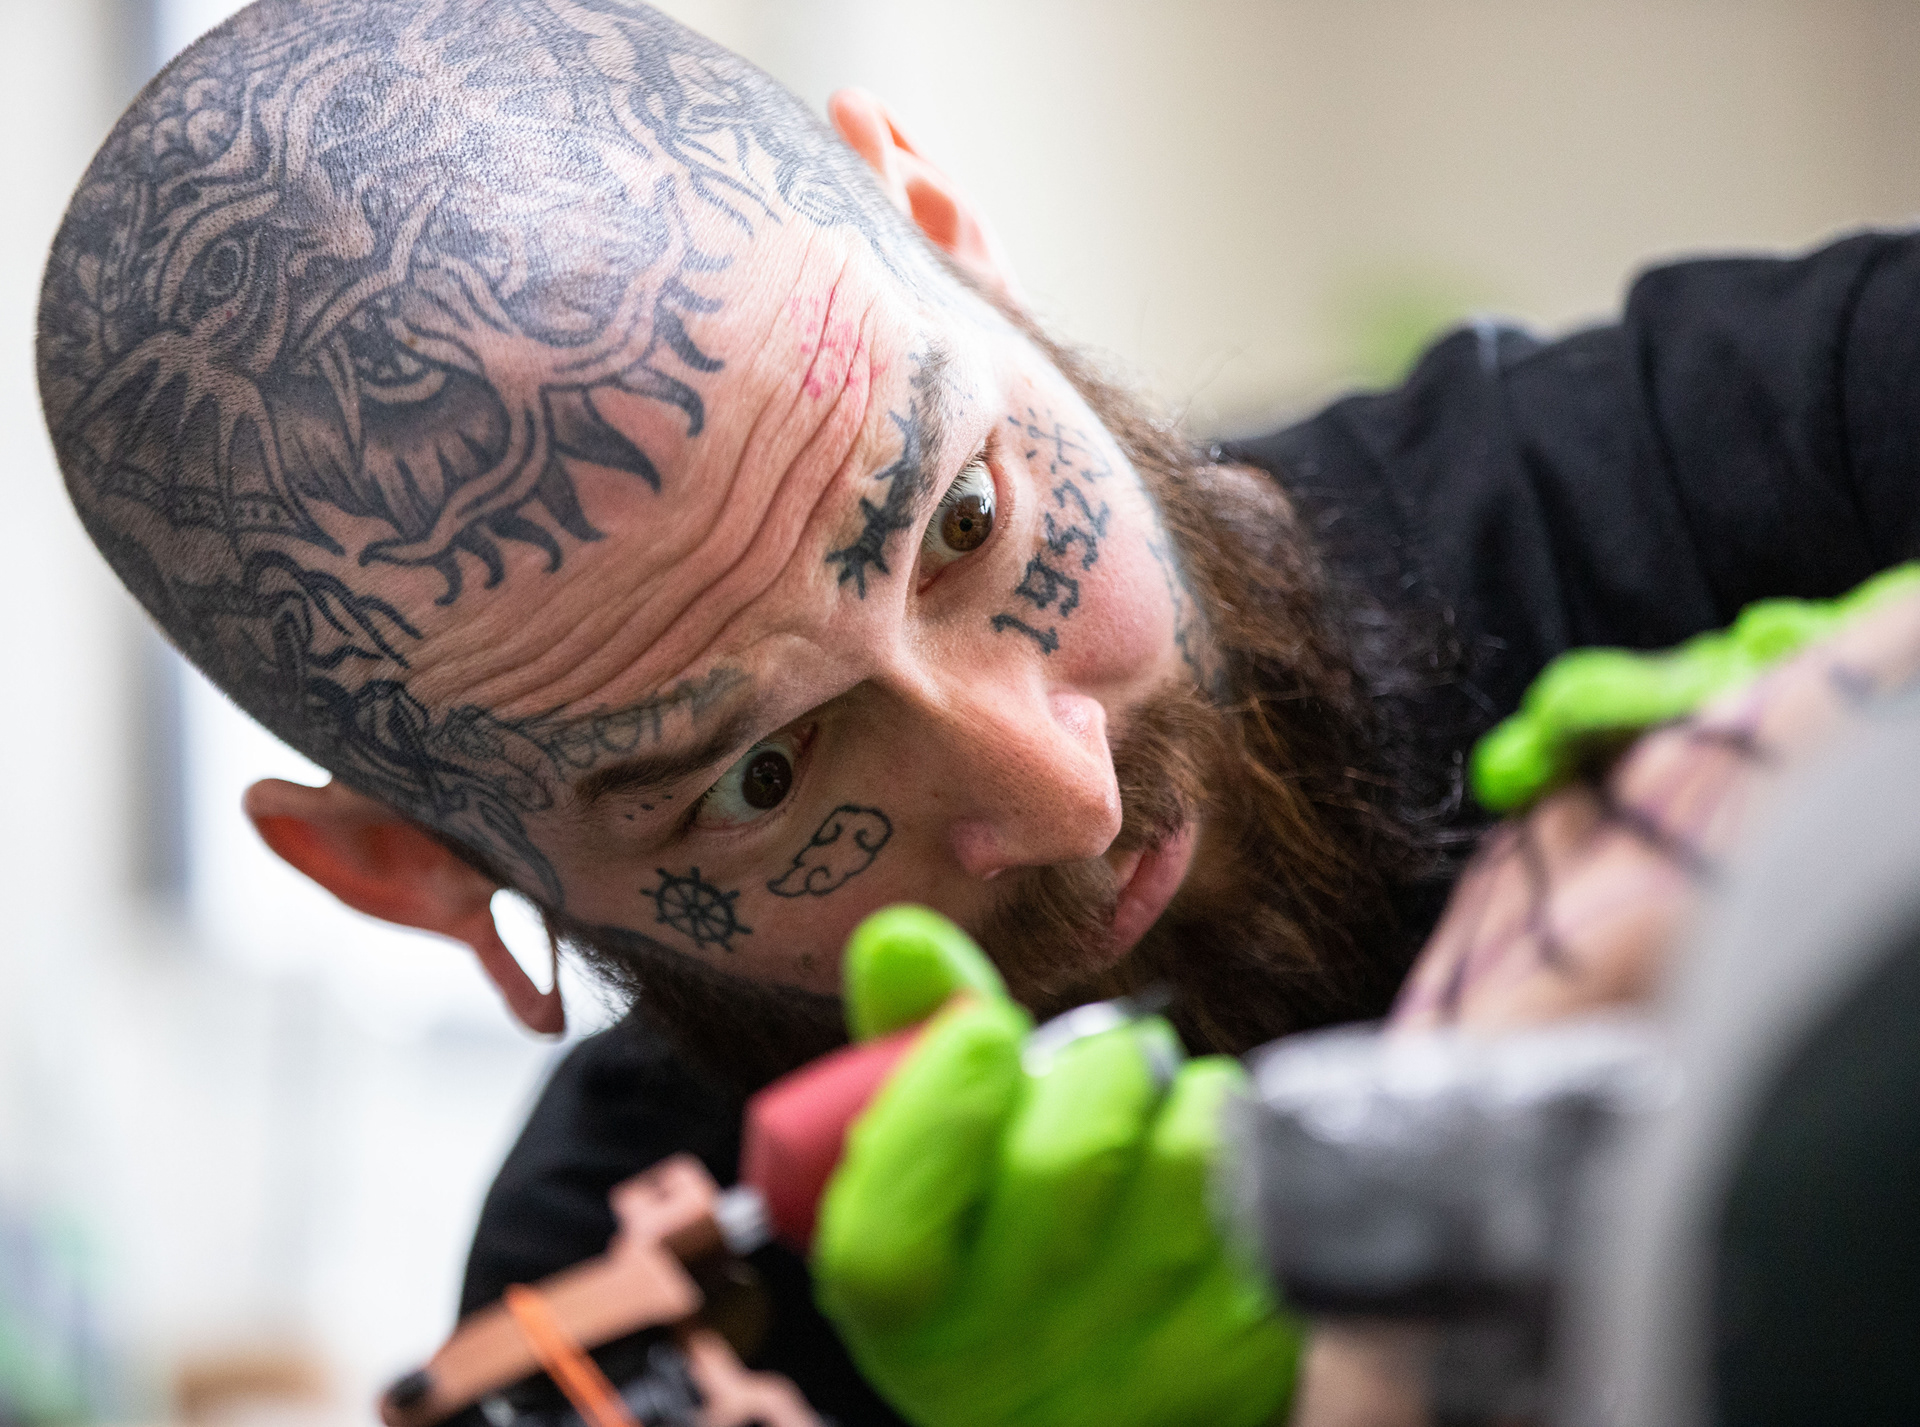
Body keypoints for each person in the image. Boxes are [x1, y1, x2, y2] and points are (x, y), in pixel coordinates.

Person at [35, 1, 1920, 1422]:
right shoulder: (646, 1323)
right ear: (411, 873)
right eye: (759, 780)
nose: (1065, 789)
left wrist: (1854, 760)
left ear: (951, 231)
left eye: (959, 520)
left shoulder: (1755, 458)